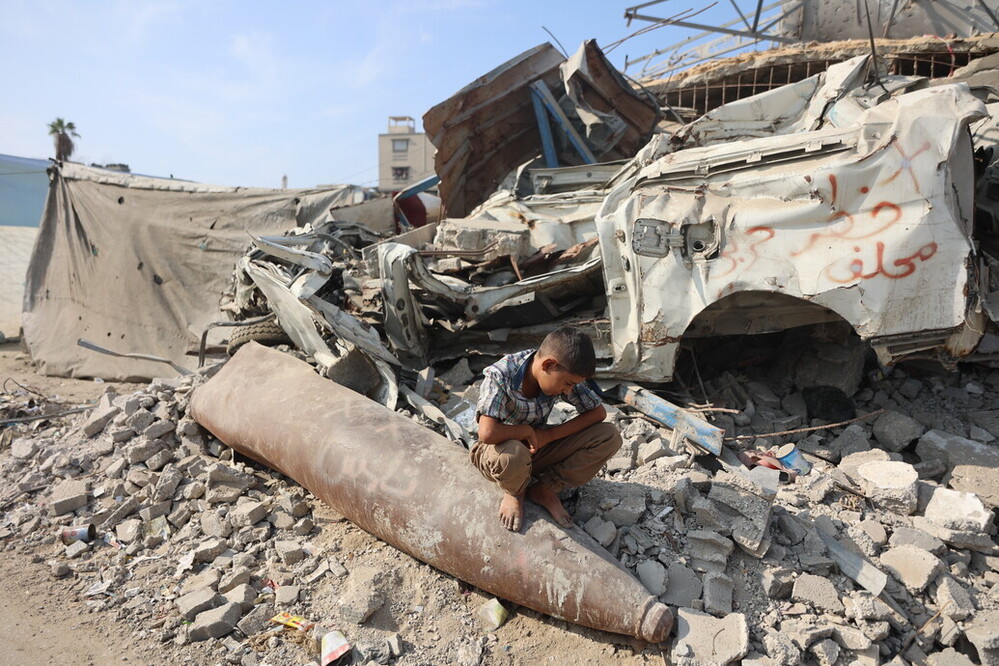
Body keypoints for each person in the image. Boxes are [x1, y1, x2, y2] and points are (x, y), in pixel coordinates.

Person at [471, 326, 622, 532]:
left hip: (536, 449)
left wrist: (548, 435)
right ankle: (515, 491)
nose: (569, 390)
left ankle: (545, 488)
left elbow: (597, 413)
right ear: (548, 365)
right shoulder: (501, 374)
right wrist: (525, 431)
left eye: (572, 385)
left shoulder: (561, 371)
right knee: (513, 454)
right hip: (498, 454)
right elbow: (487, 433)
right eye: (568, 384)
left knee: (609, 436)